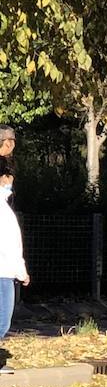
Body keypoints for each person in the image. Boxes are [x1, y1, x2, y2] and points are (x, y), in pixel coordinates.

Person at [0, 154, 30, 373]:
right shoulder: (2, 210)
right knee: (2, 320)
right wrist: (21, 271)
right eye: (8, 178)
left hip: (6, 269)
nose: (10, 183)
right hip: (3, 271)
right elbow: (9, 243)